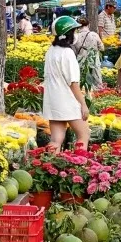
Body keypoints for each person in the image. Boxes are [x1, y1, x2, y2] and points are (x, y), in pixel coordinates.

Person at [42, 16, 90, 151]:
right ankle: (79, 165)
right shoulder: (67, 53)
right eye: (74, 31)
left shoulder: (50, 51)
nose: (76, 34)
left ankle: (50, 168)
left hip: (53, 101)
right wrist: (83, 104)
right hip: (68, 101)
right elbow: (73, 83)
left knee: (56, 140)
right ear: (69, 33)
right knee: (83, 136)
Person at [73, 18, 105, 88]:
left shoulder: (75, 36)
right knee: (96, 83)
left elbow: (74, 52)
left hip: (80, 62)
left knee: (82, 83)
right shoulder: (94, 35)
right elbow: (102, 48)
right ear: (88, 25)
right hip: (94, 62)